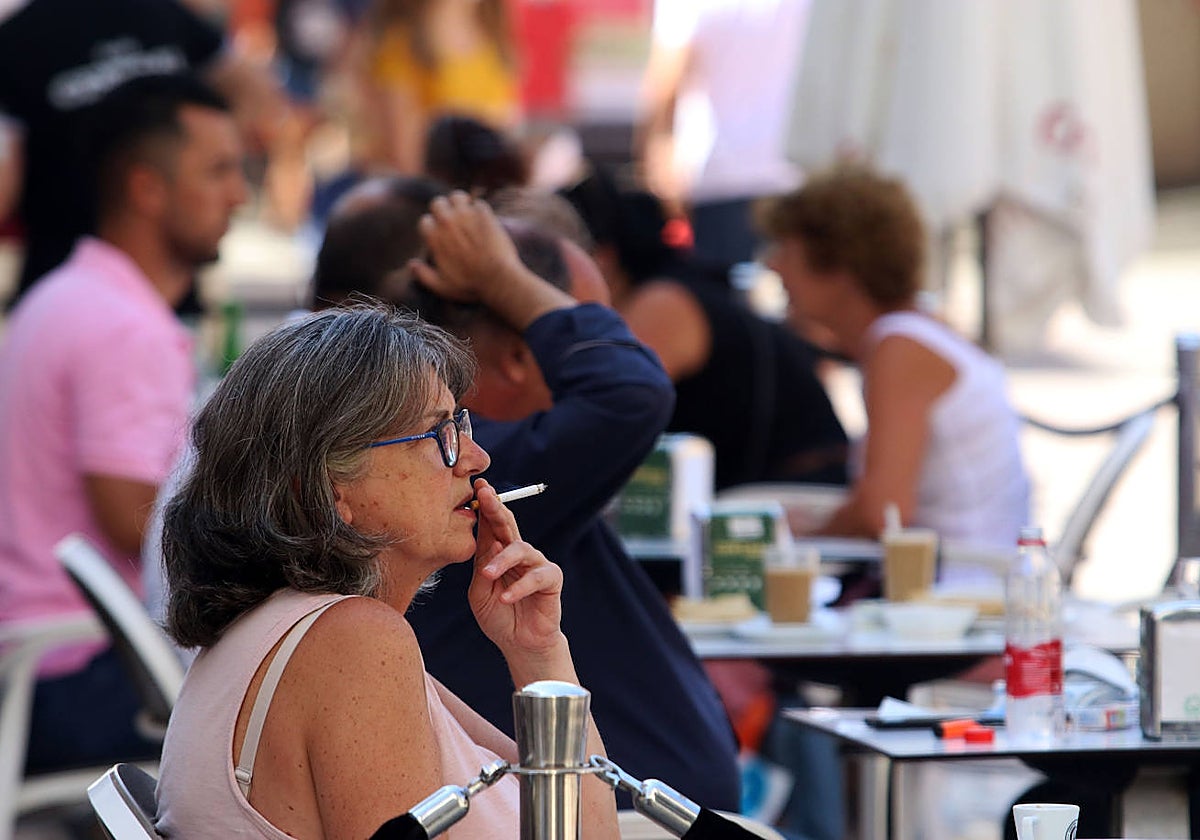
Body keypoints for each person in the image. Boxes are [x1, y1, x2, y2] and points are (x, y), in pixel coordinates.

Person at [312, 185, 742, 812]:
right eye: (569, 326)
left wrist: (539, 651)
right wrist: (500, 276)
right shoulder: (440, 478)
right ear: (521, 353)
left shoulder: (451, 474)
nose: (474, 459)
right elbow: (630, 391)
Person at [154, 303, 620, 839]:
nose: (476, 458)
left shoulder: (319, 631)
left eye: (460, 424)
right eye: (438, 434)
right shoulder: (353, 646)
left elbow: (575, 825)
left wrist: (537, 651)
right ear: (330, 489)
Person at [0, 73, 247, 772]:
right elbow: (140, 525)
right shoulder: (122, 326)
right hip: (76, 676)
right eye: (219, 170)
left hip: (39, 668)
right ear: (147, 189)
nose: (240, 194)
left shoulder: (68, 294)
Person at [759, 165, 1030, 547]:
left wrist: (798, 536)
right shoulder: (918, 329)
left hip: (952, 587)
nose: (772, 264)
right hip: (956, 577)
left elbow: (882, 514)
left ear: (838, 264)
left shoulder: (898, 348)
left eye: (786, 249)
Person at [562, 168, 848, 491]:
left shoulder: (662, 304)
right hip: (772, 488)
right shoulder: (672, 289)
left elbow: (601, 416)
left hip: (799, 489)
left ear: (603, 259)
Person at [0, 0, 279, 306]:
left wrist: (213, 156)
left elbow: (254, 92)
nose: (237, 196)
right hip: (68, 275)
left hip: (162, 282)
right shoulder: (19, 38)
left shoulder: (161, 12)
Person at [637, 0, 811, 268]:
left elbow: (666, 82)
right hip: (795, 178)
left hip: (719, 180)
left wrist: (659, 168)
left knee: (721, 299)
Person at [356, 0, 519, 174]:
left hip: (481, 186)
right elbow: (405, 155)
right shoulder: (400, 47)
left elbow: (505, 129)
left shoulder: (496, 41)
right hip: (431, 189)